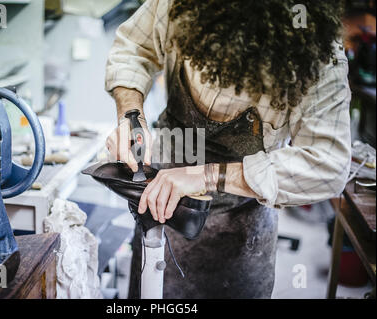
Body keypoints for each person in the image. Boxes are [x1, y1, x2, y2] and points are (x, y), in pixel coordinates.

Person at [104, 0, 351, 298]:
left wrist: (207, 175)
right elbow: (134, 46)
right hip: (160, 210)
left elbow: (328, 165)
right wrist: (131, 116)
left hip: (242, 231)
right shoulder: (181, 5)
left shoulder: (319, 55)